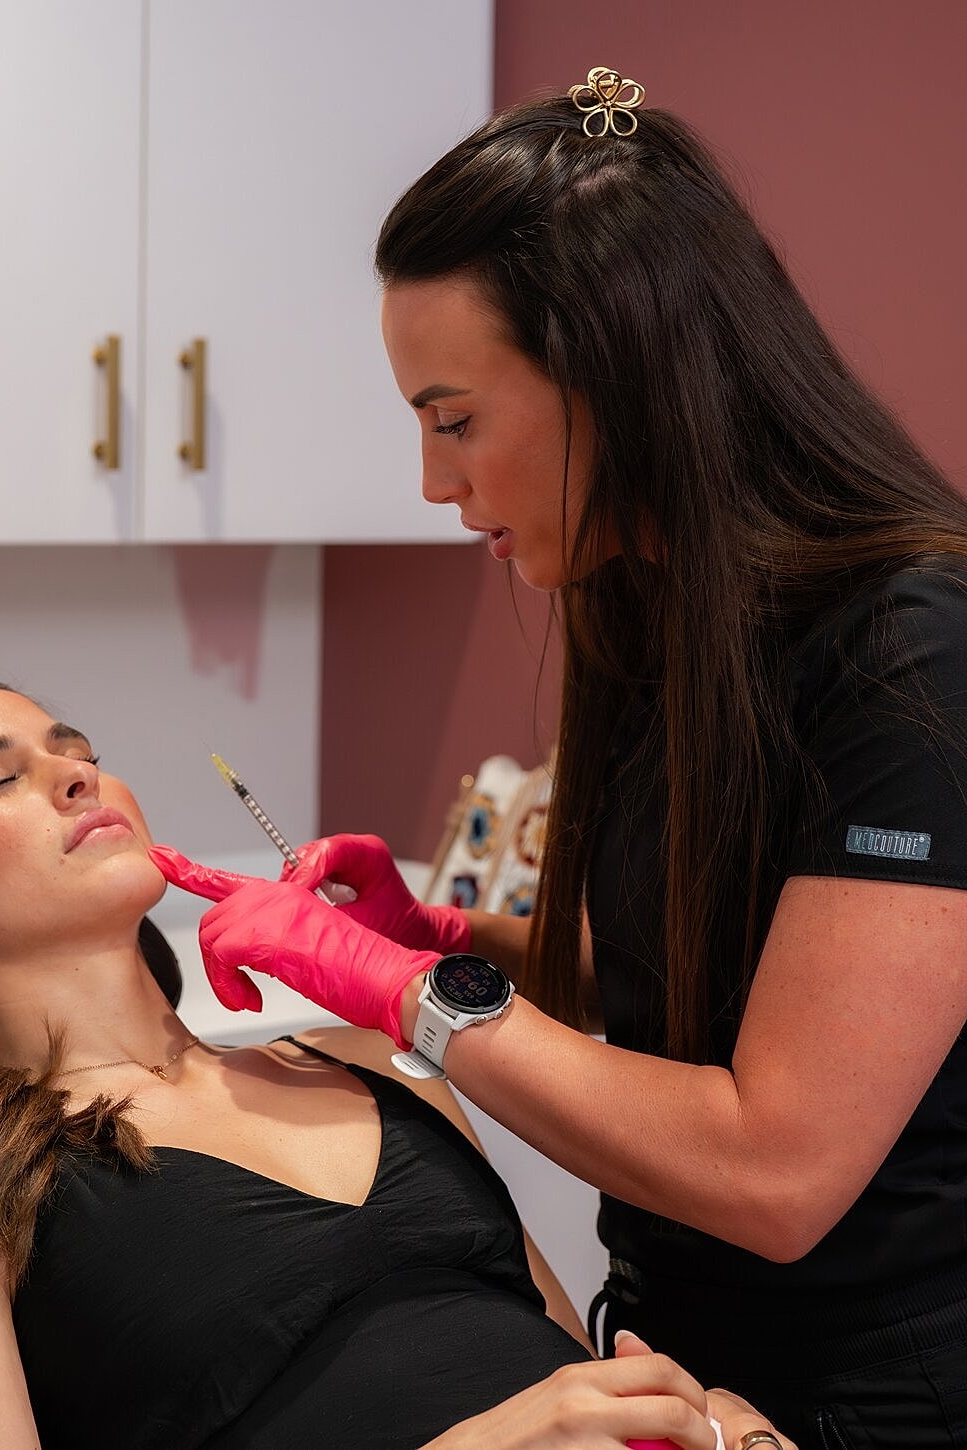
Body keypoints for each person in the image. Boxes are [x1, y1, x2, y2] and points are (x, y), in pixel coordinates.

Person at [154, 67, 967, 1447]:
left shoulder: (916, 649)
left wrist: (415, 997)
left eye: (456, 418)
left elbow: (778, 1160)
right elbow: (686, 984)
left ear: (620, 379)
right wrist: (456, 936)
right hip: (669, 1363)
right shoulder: (642, 600)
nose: (434, 481)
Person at [0, 681, 791, 1450]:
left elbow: (581, 1376)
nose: (78, 780)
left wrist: (712, 1420)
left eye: (81, 756)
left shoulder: (379, 1059)